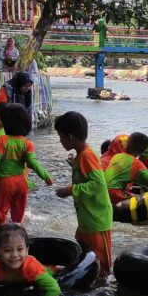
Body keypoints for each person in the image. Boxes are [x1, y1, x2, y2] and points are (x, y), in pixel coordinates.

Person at [53, 112, 115, 276]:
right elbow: (88, 177)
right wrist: (75, 165)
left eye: (61, 137)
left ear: (71, 136)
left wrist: (70, 190)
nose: (60, 141)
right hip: (87, 219)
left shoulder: (87, 155)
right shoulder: (82, 156)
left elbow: (98, 184)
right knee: (84, 254)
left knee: (102, 268)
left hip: (97, 221)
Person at [0, 103, 52, 224]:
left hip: (5, 182)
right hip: (22, 182)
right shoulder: (27, 143)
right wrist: (46, 178)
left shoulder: (2, 140)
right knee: (18, 216)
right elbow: (33, 163)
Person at [105, 132, 148, 204]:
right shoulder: (137, 165)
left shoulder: (117, 156)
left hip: (104, 191)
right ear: (143, 151)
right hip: (115, 195)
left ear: (127, 143)